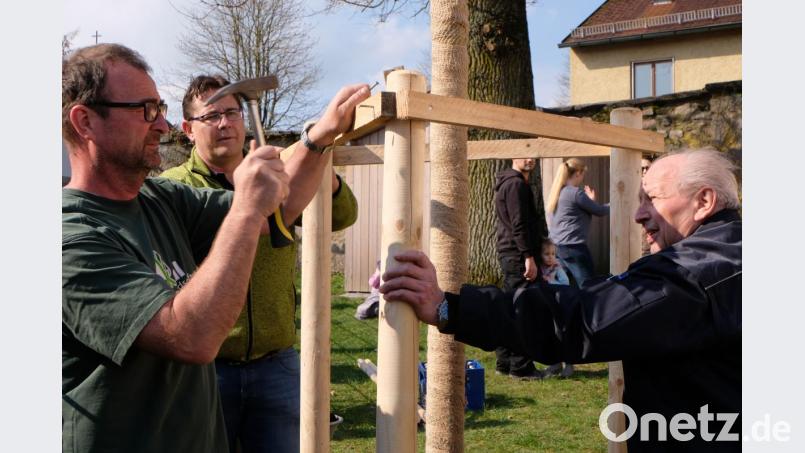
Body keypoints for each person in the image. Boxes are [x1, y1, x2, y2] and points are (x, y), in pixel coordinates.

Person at [62, 43, 369, 453]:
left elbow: (275, 209)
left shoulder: (159, 198)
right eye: (146, 110)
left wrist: (318, 138)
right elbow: (190, 337)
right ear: (85, 122)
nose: (163, 125)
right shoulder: (70, 237)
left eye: (162, 107)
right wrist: (245, 208)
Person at [380, 149, 741, 452]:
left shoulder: (690, 275)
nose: (639, 213)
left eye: (653, 198)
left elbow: (583, 319)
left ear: (703, 201)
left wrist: (449, 307)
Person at [161, 75, 358, 453]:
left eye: (233, 113)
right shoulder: (174, 189)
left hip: (276, 364)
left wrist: (319, 170)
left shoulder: (276, 173)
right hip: (206, 370)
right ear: (187, 130)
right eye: (212, 116)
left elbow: (342, 216)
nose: (225, 123)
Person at [493, 157, 544, 380]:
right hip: (518, 255)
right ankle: (521, 367)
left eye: (534, 154)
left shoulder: (509, 182)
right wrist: (528, 256)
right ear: (514, 155)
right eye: (526, 153)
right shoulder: (515, 185)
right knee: (523, 309)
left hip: (512, 253)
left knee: (509, 307)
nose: (530, 158)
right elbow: (519, 223)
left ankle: (504, 362)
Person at [545, 158, 609, 287]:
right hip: (573, 248)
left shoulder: (557, 192)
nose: (582, 178)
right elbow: (600, 211)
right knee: (590, 286)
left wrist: (590, 201)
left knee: (561, 286)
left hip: (556, 248)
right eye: (583, 174)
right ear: (578, 173)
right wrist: (616, 202)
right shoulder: (575, 193)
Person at [538, 238, 573, 378]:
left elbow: (565, 283)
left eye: (553, 254)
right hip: (546, 306)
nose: (550, 257)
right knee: (549, 334)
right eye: (547, 254)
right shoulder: (539, 268)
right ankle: (555, 363)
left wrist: (550, 281)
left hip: (558, 306)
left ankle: (569, 363)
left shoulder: (556, 267)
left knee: (561, 333)